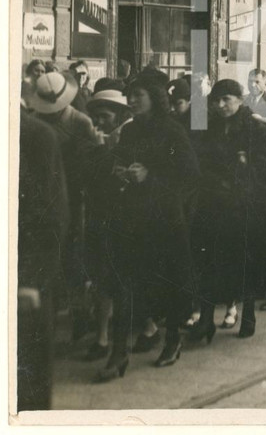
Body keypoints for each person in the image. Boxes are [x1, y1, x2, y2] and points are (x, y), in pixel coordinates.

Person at [98, 71, 200, 379]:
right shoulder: (130, 132)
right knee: (125, 285)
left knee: (168, 286)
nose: (131, 101)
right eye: (130, 96)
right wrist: (117, 170)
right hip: (132, 220)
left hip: (165, 221)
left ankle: (172, 341)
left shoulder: (172, 132)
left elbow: (190, 176)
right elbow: (117, 158)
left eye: (137, 96)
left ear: (155, 99)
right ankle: (118, 354)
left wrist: (150, 177)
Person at [189, 79, 266, 342]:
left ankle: (248, 313)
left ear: (239, 100)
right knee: (209, 263)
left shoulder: (254, 127)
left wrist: (244, 170)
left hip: (246, 207)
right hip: (214, 205)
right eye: (216, 100)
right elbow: (200, 161)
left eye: (226, 99)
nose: (220, 105)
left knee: (245, 262)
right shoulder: (209, 127)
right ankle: (206, 319)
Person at [25, 70, 101, 343]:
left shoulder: (80, 122)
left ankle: (80, 316)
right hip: (45, 197)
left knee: (73, 257)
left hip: (75, 195)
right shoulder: (35, 122)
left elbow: (94, 157)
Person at [17, 113, 69, 409]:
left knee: (25, 390)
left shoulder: (35, 135)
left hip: (22, 281)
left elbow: (50, 215)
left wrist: (30, 279)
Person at [82, 87, 133, 363]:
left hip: (122, 218)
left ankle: (142, 331)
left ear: (120, 115)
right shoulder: (103, 139)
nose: (99, 121)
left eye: (104, 116)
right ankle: (102, 338)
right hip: (101, 216)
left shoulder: (126, 136)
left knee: (120, 279)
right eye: (96, 116)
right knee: (103, 279)